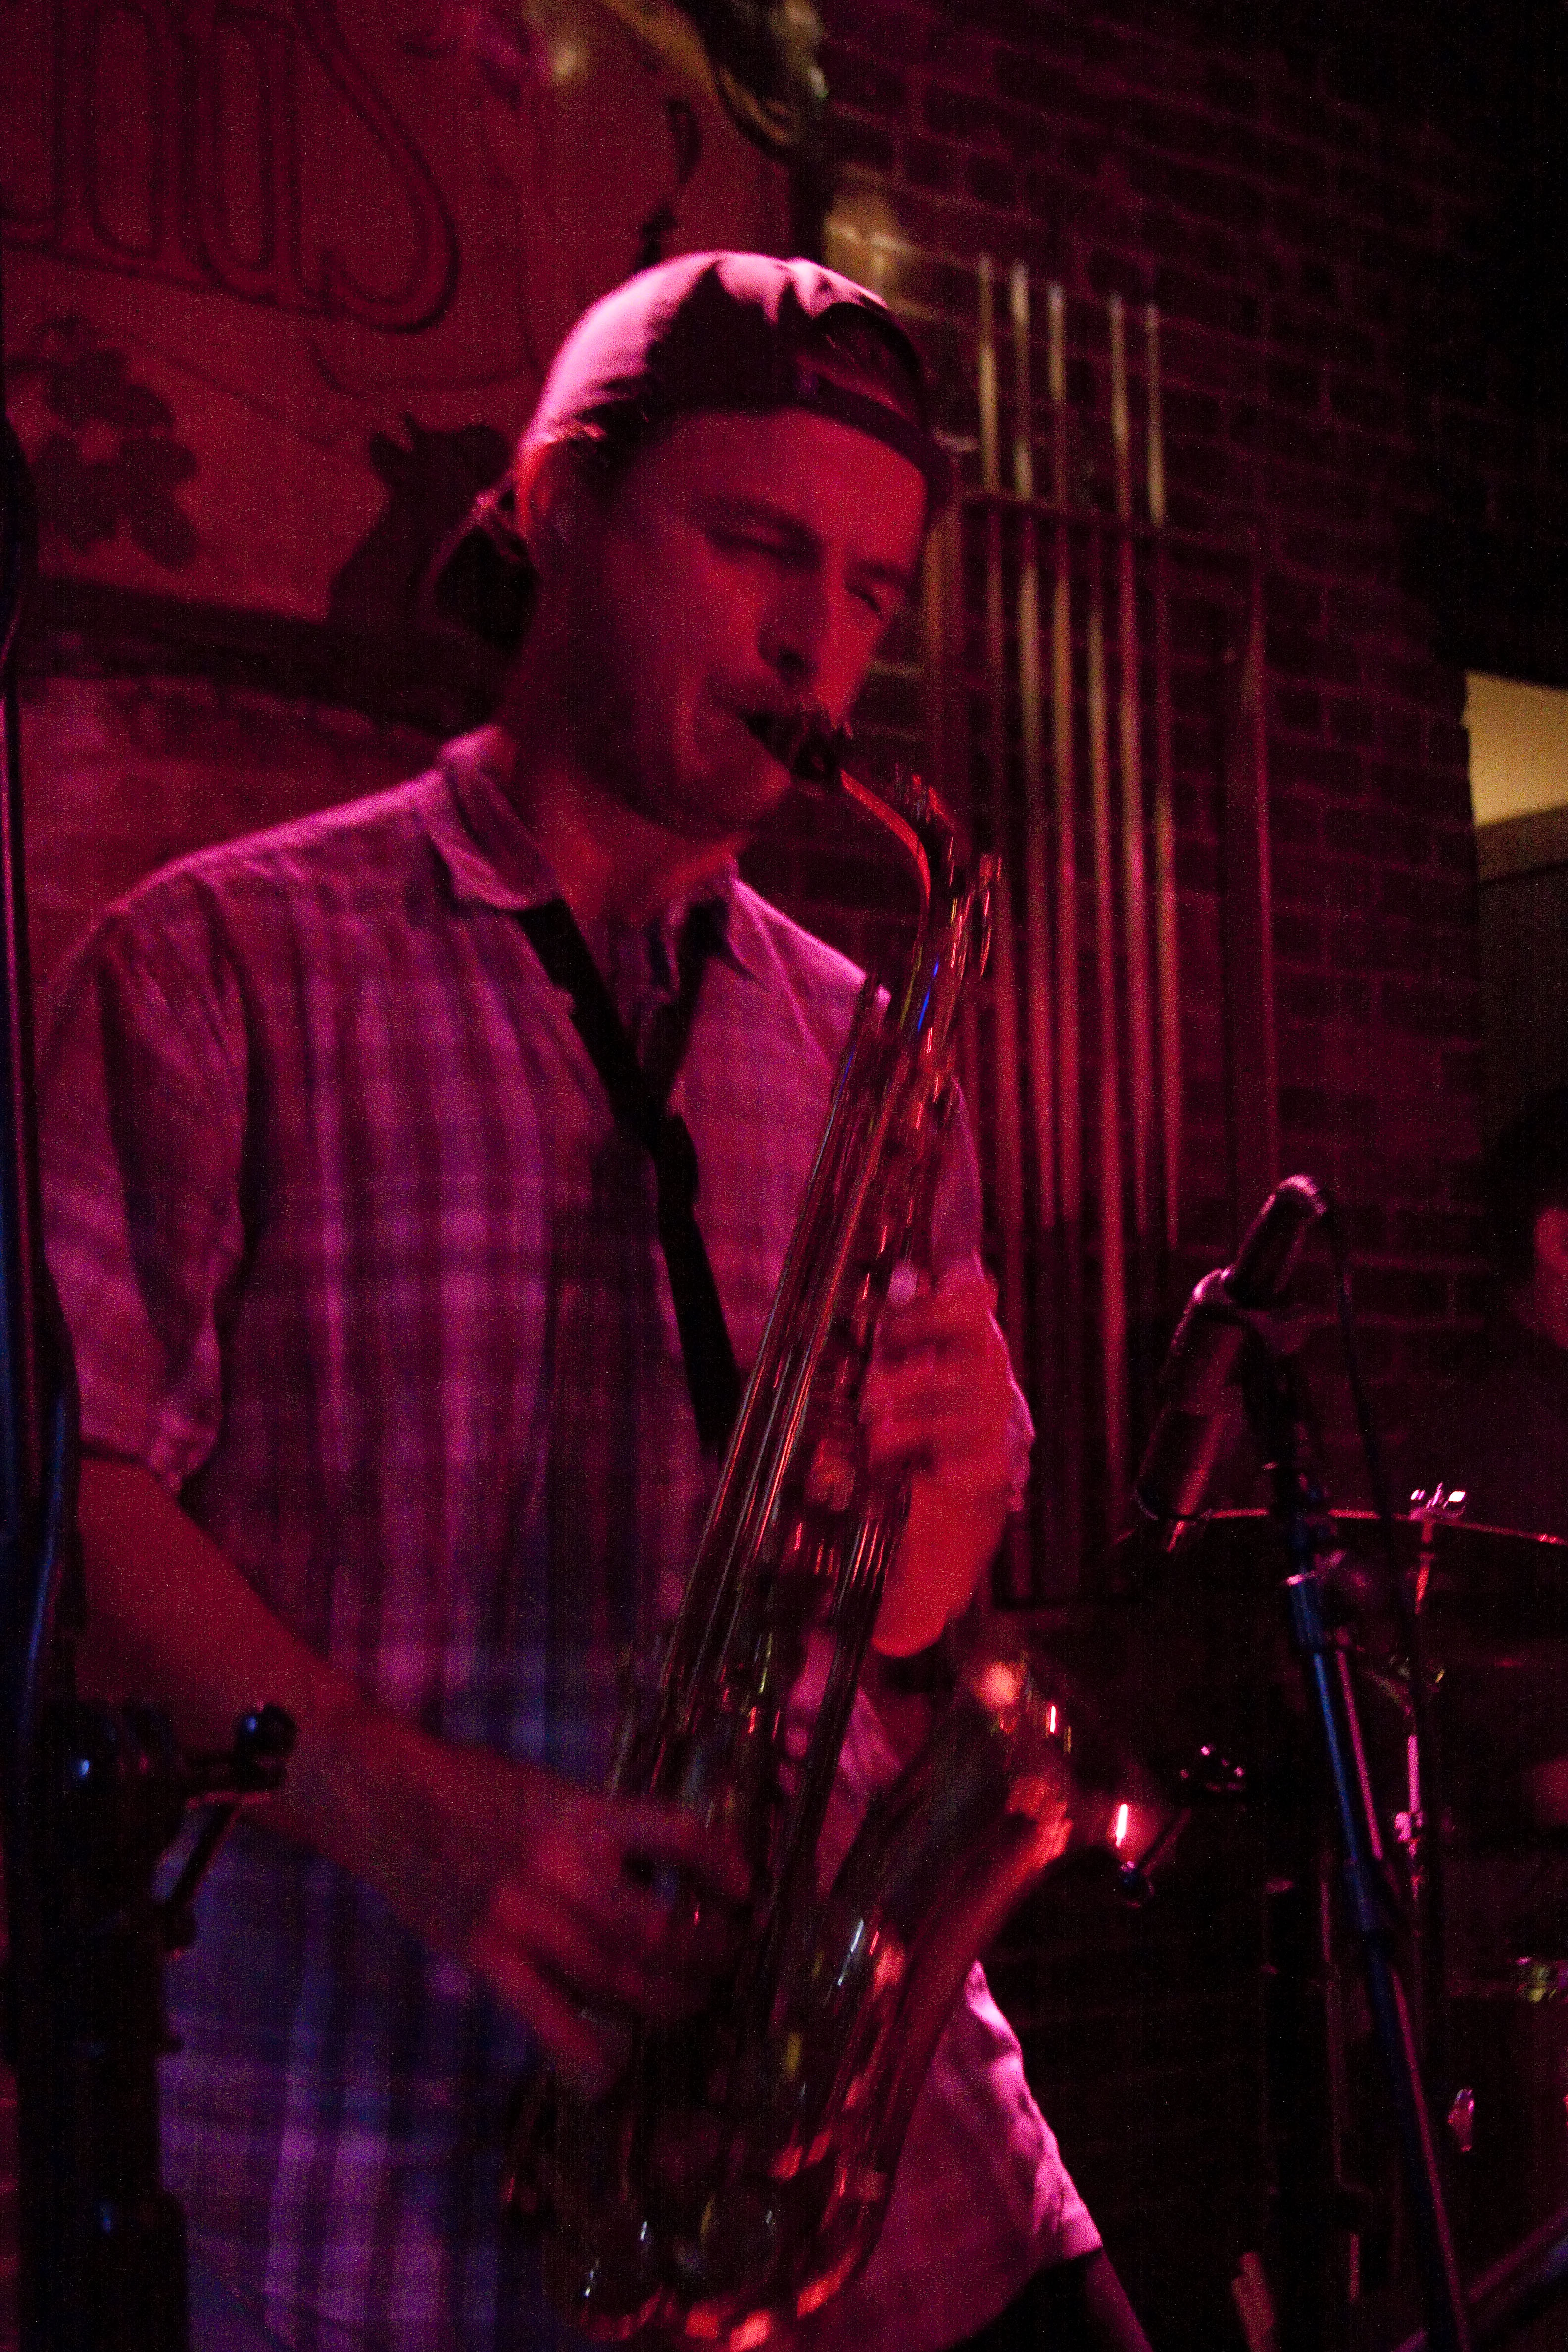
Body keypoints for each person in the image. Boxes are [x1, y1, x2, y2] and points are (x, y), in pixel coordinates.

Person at [39, 253, 1150, 2352]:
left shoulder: (867, 1031)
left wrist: (943, 1520)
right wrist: (409, 1812)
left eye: (871, 592)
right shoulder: (216, 966)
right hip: (377, 2164)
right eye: (755, 546)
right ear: (557, 506)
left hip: (862, 2162)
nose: (817, 641)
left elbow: (900, 1642)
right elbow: (64, 1511)